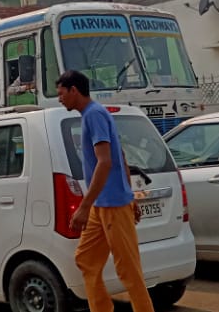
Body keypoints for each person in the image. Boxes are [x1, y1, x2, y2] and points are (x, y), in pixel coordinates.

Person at [56, 70, 154, 312]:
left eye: (61, 94)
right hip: (103, 205)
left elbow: (106, 161)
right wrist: (130, 195)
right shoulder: (92, 115)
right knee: (86, 259)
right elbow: (120, 155)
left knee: (129, 270)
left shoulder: (94, 115)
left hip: (111, 205)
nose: (59, 99)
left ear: (74, 90)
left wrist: (84, 206)